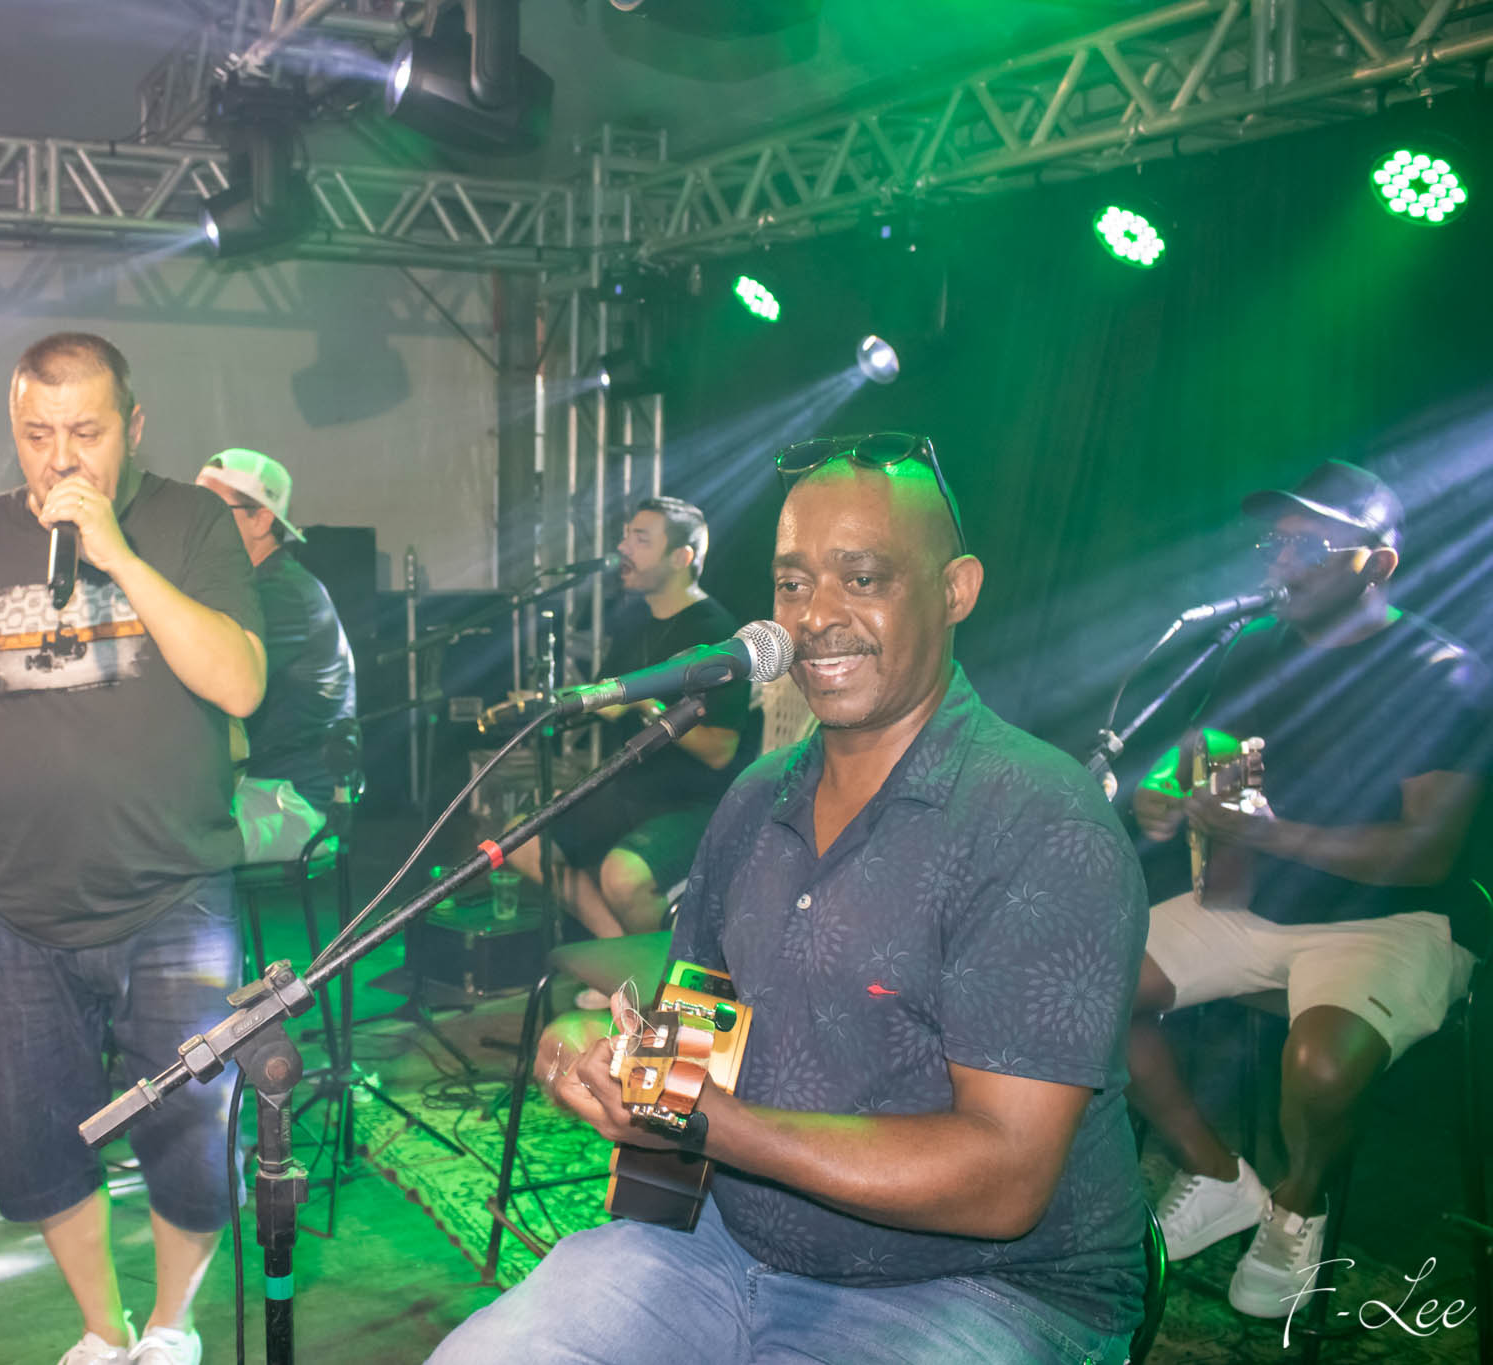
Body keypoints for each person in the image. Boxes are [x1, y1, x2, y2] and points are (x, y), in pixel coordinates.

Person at [433, 434, 1150, 1364]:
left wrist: (716, 1121)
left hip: (980, 1288)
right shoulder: (755, 797)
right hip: (722, 1245)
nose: (816, 616)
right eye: (792, 583)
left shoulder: (1040, 821)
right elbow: (697, 1027)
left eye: (863, 578)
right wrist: (617, 1064)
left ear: (956, 589)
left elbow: (1006, 1177)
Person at [0, 333, 266, 1365]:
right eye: (36, 434)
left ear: (133, 428)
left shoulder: (190, 522)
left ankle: (172, 1326)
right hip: (15, 907)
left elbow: (240, 683)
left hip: (171, 896)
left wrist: (119, 558)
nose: (60, 458)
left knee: (190, 1134)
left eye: (86, 432)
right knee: (37, 1138)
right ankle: (104, 1333)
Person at [1126, 460, 1488, 1318]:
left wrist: (1272, 834)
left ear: (1379, 564)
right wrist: (1163, 795)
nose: (1283, 561)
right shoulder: (1255, 648)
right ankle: (1216, 1173)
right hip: (1255, 904)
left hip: (1394, 921)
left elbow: (1427, 854)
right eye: (1275, 544)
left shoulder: (1443, 671)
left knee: (1320, 1065)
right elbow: (1200, 752)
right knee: (1077, 988)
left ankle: (1298, 1203)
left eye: (1313, 546)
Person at [511, 496, 752, 939]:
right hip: (629, 793)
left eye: (640, 539)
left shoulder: (715, 633)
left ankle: (658, 969)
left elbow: (720, 750)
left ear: (681, 558)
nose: (623, 548)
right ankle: (617, 953)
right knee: (521, 840)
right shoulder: (633, 624)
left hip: (694, 804)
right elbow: (605, 699)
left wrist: (647, 706)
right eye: (625, 537)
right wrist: (544, 702)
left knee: (622, 877)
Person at [194, 449, 356, 863]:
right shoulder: (253, 586)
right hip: (253, 785)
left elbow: (210, 683)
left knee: (158, 839)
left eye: (211, 508)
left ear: (261, 519)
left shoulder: (281, 594)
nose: (195, 520)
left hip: (289, 798)